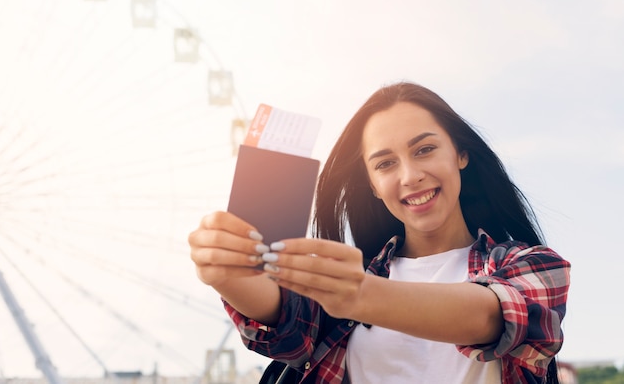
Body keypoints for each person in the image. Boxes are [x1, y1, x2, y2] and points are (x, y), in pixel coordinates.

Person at [188, 82, 571, 384]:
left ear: (461, 153)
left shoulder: (534, 267)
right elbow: (281, 321)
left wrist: (359, 295)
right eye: (385, 163)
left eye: (424, 150)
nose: (409, 176)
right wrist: (229, 274)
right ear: (371, 184)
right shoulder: (342, 286)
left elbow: (492, 317)